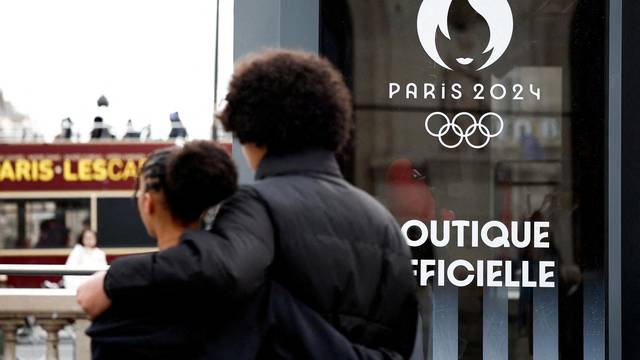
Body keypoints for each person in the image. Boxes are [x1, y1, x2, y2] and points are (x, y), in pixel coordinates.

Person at [78, 50, 418, 358]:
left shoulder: (257, 202)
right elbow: (402, 336)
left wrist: (113, 279)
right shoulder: (383, 220)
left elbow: (223, 269)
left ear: (255, 133)